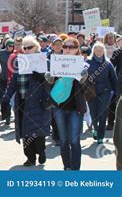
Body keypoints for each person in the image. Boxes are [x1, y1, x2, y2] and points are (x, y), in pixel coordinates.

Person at [2, 36, 51, 167]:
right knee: (25, 130)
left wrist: (41, 78)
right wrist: (6, 98)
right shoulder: (20, 61)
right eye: (25, 47)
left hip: (39, 101)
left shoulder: (44, 61)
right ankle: (30, 157)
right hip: (22, 100)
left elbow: (52, 82)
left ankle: (41, 151)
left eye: (30, 47)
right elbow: (13, 82)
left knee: (38, 130)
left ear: (36, 47)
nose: (27, 49)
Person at [44, 37, 89, 170]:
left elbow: (88, 90)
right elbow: (49, 88)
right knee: (63, 140)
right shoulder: (56, 63)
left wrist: (83, 79)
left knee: (74, 141)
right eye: (66, 46)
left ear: (77, 49)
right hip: (59, 107)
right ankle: (67, 167)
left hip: (76, 107)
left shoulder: (84, 65)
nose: (68, 49)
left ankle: (75, 170)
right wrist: (49, 80)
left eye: (72, 47)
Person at [86, 42, 117, 144]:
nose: (99, 52)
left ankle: (100, 136)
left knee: (102, 113)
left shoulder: (108, 63)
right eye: (97, 50)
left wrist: (116, 92)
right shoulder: (87, 62)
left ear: (103, 51)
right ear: (93, 51)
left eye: (100, 50)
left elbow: (114, 78)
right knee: (93, 113)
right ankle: (95, 128)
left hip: (105, 91)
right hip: (91, 92)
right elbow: (82, 77)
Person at [0, 39, 14, 124]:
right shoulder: (0, 52)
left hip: (10, 79)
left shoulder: (15, 55)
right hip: (1, 78)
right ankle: (5, 112)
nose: (11, 47)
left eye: (13, 45)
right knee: (1, 97)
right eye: (10, 45)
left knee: (8, 97)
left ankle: (8, 115)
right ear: (6, 45)